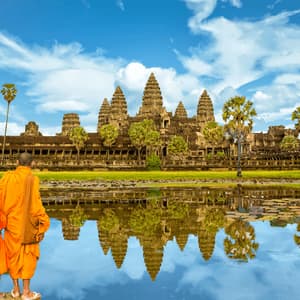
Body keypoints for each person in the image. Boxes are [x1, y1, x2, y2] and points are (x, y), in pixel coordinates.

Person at [0, 152, 50, 300]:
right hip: (28, 226)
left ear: (17, 162)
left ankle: (16, 290)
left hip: (11, 225)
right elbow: (36, 206)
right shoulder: (33, 180)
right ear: (32, 164)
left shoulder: (7, 178)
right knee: (28, 257)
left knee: (13, 256)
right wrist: (43, 223)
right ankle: (26, 292)